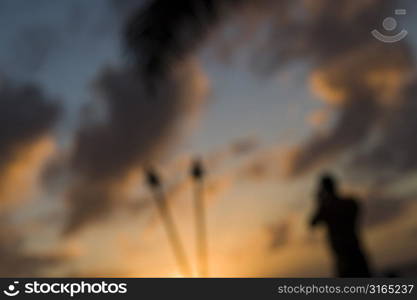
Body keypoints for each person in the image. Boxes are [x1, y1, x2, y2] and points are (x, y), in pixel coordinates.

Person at [310, 173, 371, 277]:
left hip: (344, 259)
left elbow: (312, 223)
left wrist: (320, 203)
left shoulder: (327, 209)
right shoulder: (350, 203)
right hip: (355, 253)